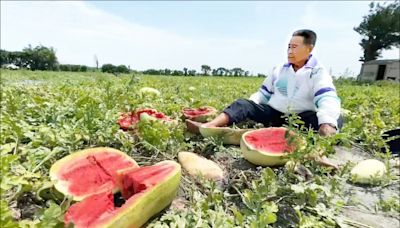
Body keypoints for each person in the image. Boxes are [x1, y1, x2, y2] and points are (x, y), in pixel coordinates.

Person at [186, 29, 343, 168]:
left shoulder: (317, 72)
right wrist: (250, 108)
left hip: (301, 119)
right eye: (289, 46)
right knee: (243, 104)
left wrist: (326, 122)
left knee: (336, 120)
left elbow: (326, 97)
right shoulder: (279, 69)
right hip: (274, 114)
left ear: (309, 49)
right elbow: (263, 94)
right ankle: (208, 127)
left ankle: (319, 153)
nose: (289, 51)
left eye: (294, 47)